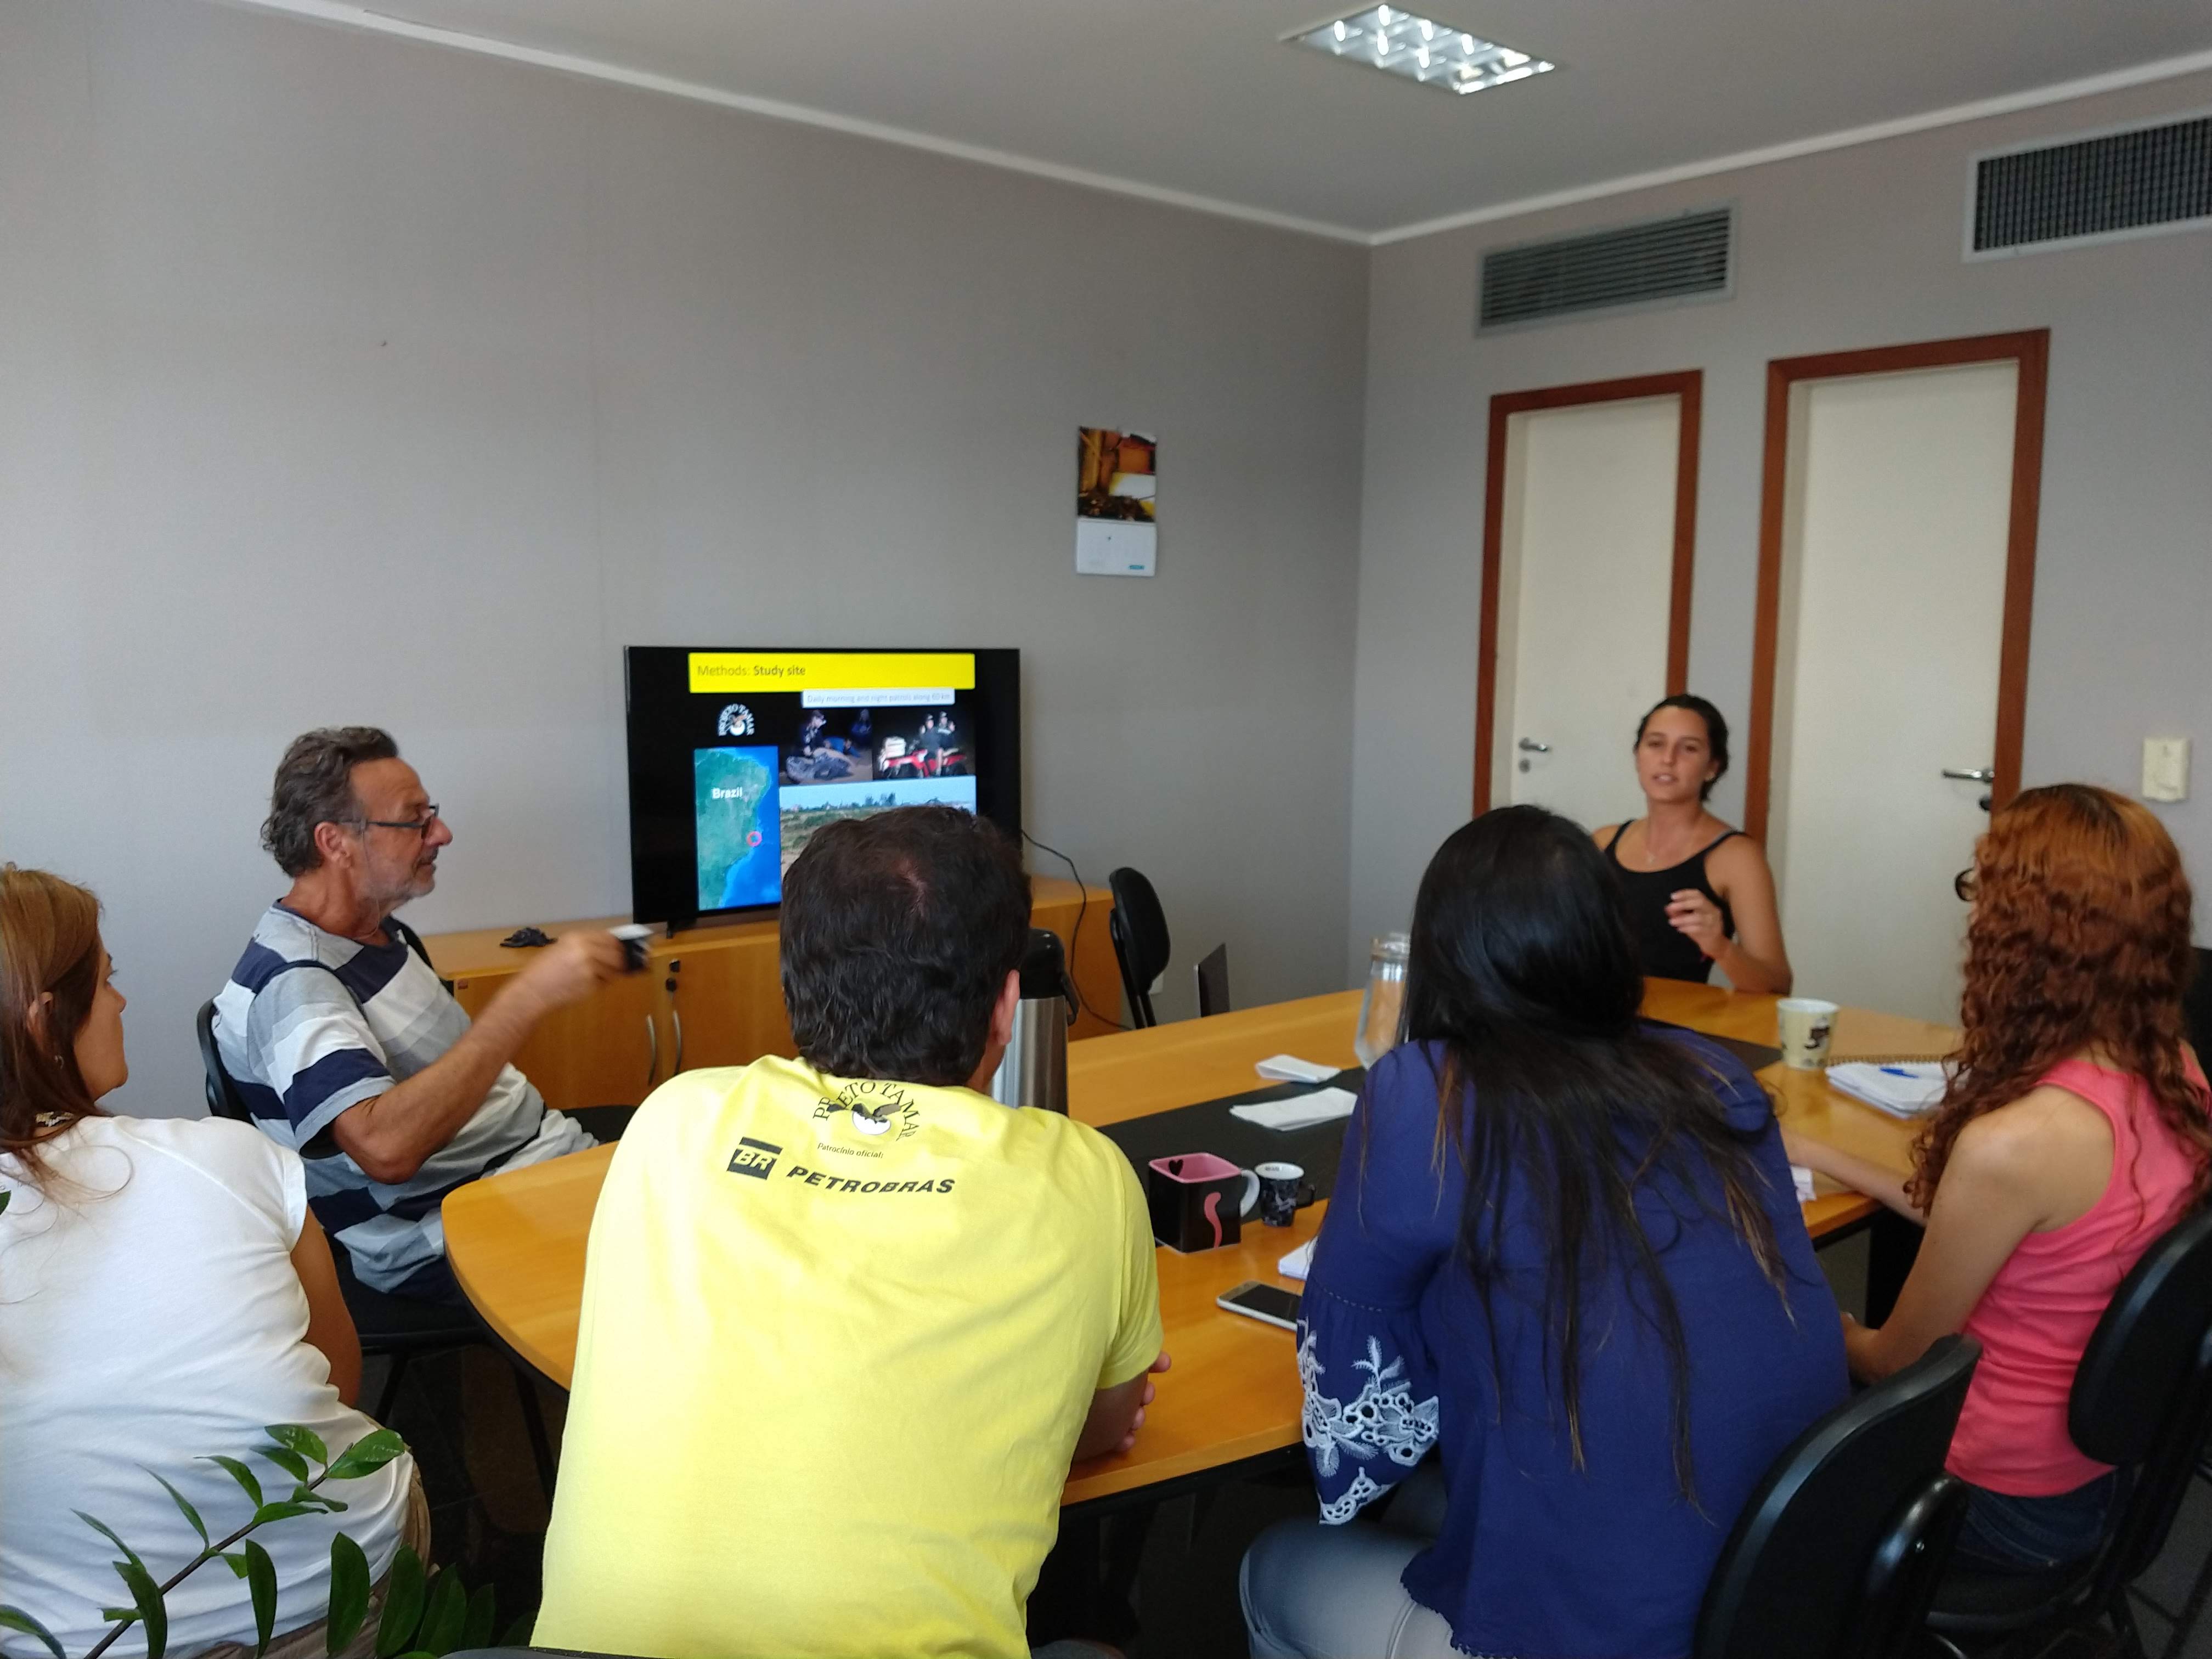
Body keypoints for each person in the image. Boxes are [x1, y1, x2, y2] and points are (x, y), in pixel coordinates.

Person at [537, 806, 1166, 1659]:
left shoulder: (671, 1121)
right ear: (1009, 1003)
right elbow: (1096, 1432)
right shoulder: (1087, 1177)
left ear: (792, 981)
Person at [1242, 807, 1844, 1659]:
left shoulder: (1428, 1093)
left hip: (1600, 1629)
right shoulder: (1714, 1074)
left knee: (1272, 1561)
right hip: (1779, 1590)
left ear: (1444, 951)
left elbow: (1357, 1418)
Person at [1785, 783, 2210, 1574]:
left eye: (1982, 888)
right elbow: (2013, 1224)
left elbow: (1892, 1363)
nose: (1973, 911)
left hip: (1984, 1502)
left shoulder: (2019, 1141)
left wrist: (1821, 1325)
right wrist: (1826, 1154)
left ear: (2029, 929)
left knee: (1739, 1403)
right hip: (2100, 1468)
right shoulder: (2177, 1074)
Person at [0, 867, 423, 1659]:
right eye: (106, 980)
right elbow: (337, 1380)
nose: (122, 1002)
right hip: (330, 1590)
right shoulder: (229, 1157)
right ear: (40, 1022)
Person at [214, 727, 629, 1302]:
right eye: (414, 821)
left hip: (528, 1162)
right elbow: (385, 1150)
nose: (441, 834)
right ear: (335, 843)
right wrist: (526, 998)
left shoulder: (381, 933)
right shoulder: (296, 984)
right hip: (444, 1230)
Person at [1592, 694, 1792, 992]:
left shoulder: (1736, 857)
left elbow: (1777, 986)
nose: (1668, 759)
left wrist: (1721, 947)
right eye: (1656, 744)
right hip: (1592, 1020)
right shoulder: (1602, 842)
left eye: (1689, 748)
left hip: (1672, 1027)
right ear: (1638, 756)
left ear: (1712, 767)